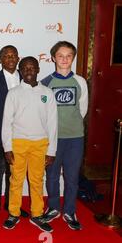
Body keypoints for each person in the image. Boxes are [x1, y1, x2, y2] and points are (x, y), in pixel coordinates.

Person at [1, 57, 57, 232]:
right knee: (16, 180)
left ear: (38, 69)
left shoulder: (47, 93)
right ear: (20, 70)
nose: (28, 71)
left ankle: (37, 214)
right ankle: (13, 213)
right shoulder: (14, 93)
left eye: (32, 68)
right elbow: (6, 123)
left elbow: (53, 123)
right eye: (24, 68)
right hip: (18, 143)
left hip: (40, 144)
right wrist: (7, 148)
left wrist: (52, 150)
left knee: (36, 180)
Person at [41, 41, 88, 231]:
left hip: (75, 137)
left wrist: (71, 125)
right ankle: (53, 207)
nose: (64, 59)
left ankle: (69, 210)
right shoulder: (45, 82)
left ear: (73, 58)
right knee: (51, 176)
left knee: (71, 177)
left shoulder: (80, 81)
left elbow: (82, 109)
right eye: (60, 55)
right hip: (52, 139)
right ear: (53, 58)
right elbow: (42, 112)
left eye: (69, 56)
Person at [0, 45, 29, 220]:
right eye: (6, 56)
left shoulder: (27, 79)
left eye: (13, 55)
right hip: (0, 137)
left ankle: (12, 205)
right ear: (0, 60)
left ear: (18, 58)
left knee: (16, 173)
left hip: (23, 137)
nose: (10, 58)